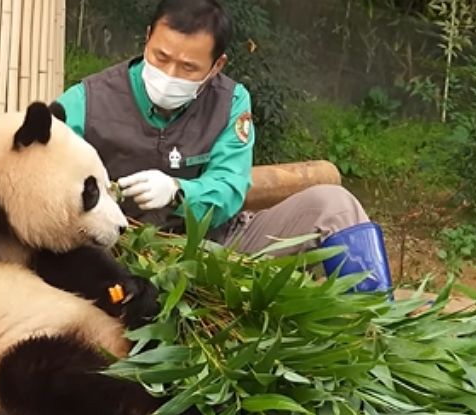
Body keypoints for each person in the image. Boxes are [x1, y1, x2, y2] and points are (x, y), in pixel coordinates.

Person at [55, 0, 392, 292]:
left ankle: (377, 327)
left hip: (218, 246)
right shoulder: (86, 101)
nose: (169, 74)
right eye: (160, 57)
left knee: (334, 204)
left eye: (188, 67)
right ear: (146, 39)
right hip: (122, 253)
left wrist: (179, 193)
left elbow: (230, 185)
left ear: (217, 66)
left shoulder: (231, 101)